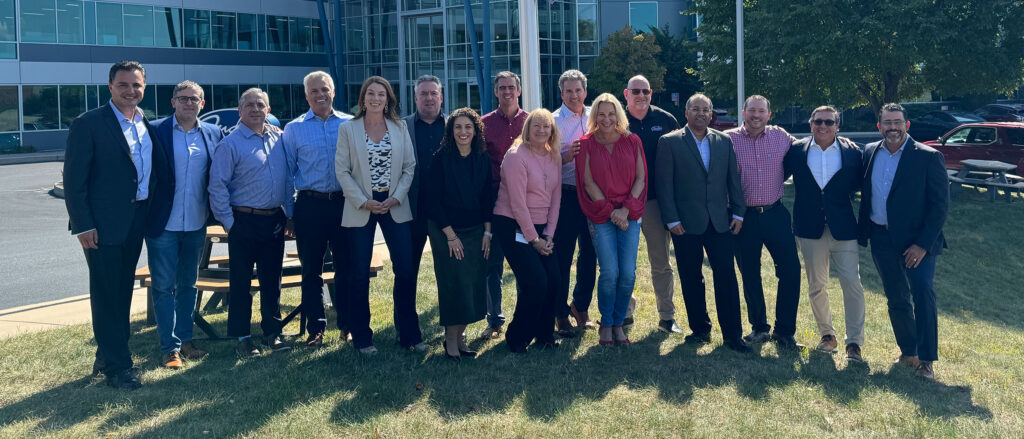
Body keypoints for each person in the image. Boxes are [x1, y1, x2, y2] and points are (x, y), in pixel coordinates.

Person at [64, 60, 170, 389]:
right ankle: (119, 368)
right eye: (123, 85)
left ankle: (108, 354)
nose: (130, 91)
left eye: (136, 85)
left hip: (135, 221)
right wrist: (83, 225)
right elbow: (74, 180)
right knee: (107, 292)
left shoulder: (144, 123)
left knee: (122, 291)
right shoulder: (89, 123)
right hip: (101, 225)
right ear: (110, 87)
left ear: (144, 88)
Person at [335, 76, 425, 355]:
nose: (376, 98)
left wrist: (396, 197)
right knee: (359, 273)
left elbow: (410, 166)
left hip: (394, 204)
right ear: (363, 98)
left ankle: (409, 334)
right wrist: (364, 201)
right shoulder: (348, 129)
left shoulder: (399, 127)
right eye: (371, 94)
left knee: (406, 270)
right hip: (361, 206)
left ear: (389, 100)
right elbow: (342, 171)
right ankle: (362, 337)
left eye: (381, 95)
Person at [858, 103, 949, 380]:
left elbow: (940, 205)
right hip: (881, 238)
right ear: (879, 126)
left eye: (898, 122)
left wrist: (922, 244)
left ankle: (927, 360)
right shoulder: (870, 152)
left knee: (922, 292)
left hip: (917, 243)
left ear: (907, 125)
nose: (893, 127)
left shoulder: (928, 157)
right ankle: (908, 350)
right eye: (887, 123)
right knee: (896, 297)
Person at [655, 93, 751, 353]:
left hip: (720, 223)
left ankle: (733, 335)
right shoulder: (669, 142)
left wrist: (739, 213)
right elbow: (664, 185)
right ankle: (700, 330)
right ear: (686, 113)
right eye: (695, 109)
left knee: (727, 278)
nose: (700, 113)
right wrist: (671, 219)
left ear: (711, 114)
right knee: (691, 278)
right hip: (684, 224)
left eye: (705, 110)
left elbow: (733, 178)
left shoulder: (723, 141)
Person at [209, 88, 295, 358]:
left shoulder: (279, 138)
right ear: (240, 111)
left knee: (273, 280)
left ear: (268, 110)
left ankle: (272, 332)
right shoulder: (230, 143)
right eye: (249, 105)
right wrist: (229, 222)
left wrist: (290, 214)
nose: (255, 109)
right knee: (241, 282)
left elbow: (289, 179)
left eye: (261, 105)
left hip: (274, 220)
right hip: (243, 221)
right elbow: (217, 186)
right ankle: (243, 338)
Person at [146, 80, 223, 368]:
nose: (189, 103)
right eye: (183, 98)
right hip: (162, 223)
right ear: (173, 102)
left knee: (188, 284)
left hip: (196, 223)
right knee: (164, 287)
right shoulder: (155, 131)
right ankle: (169, 348)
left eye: (195, 99)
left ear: (202, 104)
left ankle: (186, 340)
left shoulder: (213, 133)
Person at [784, 105, 866, 362]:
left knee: (851, 283)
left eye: (829, 122)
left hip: (843, 229)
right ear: (810, 124)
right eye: (818, 121)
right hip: (810, 228)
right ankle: (827, 336)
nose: (823, 126)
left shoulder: (852, 153)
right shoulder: (796, 151)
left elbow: (861, 186)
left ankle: (854, 342)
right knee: (817, 285)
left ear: (837, 126)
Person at [724, 95, 803, 349]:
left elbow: (807, 148)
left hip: (775, 213)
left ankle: (784, 331)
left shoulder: (781, 136)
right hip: (742, 217)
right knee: (749, 273)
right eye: (752, 111)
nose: (756, 116)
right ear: (743, 112)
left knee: (791, 270)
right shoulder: (729, 140)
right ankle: (759, 327)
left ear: (769, 114)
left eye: (761, 111)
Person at [282, 71, 354, 348]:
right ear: (306, 95)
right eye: (314, 91)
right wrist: (289, 213)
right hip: (309, 205)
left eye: (325, 89)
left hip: (343, 203)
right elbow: (287, 174)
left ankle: (347, 325)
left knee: (346, 267)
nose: (320, 95)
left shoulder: (350, 123)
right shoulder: (294, 129)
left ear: (333, 92)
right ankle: (316, 328)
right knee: (311, 270)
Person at [575, 93, 647, 346]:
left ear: (618, 114)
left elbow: (640, 178)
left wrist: (625, 210)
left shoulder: (632, 140)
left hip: (629, 214)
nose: (606, 119)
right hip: (601, 215)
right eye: (601, 114)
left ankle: (618, 323)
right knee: (610, 272)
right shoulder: (585, 143)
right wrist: (610, 212)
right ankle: (606, 322)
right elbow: (587, 182)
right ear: (594, 116)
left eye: (611, 113)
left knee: (627, 274)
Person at [424, 108, 495, 360]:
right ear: (450, 131)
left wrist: (487, 232)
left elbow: (488, 198)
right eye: (458, 127)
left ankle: (460, 336)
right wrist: (451, 236)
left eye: (468, 127)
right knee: (454, 284)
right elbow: (432, 201)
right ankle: (450, 340)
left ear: (476, 131)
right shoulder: (441, 158)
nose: (463, 132)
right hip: (446, 231)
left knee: (473, 284)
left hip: (476, 231)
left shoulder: (482, 158)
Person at [492, 108, 562, 353]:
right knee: (536, 282)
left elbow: (556, 197)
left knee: (553, 280)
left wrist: (549, 236)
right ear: (527, 129)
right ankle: (518, 337)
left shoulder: (554, 156)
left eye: (547, 126)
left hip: (543, 228)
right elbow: (517, 204)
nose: (542, 131)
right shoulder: (515, 156)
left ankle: (545, 335)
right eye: (537, 126)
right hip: (512, 224)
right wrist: (534, 240)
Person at [624, 75, 682, 334]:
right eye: (635, 91)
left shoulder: (666, 120)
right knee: (625, 262)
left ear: (651, 93)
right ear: (626, 94)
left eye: (645, 91)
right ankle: (624, 312)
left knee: (660, 261)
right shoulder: (616, 120)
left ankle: (667, 316)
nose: (641, 95)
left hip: (657, 202)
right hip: (623, 203)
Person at [480, 71, 529, 339]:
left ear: (518, 90)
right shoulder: (483, 124)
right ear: (496, 92)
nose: (507, 91)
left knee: (523, 261)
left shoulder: (531, 122)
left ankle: (524, 315)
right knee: (493, 263)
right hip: (494, 201)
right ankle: (494, 319)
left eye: (511, 87)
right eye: (502, 88)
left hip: (525, 202)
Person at [551, 69, 597, 336]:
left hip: (594, 196)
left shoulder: (596, 116)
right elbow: (542, 160)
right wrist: (563, 156)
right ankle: (559, 314)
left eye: (578, 90)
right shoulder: (553, 121)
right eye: (568, 90)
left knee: (590, 254)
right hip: (566, 194)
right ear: (561, 93)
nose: (574, 95)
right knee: (563, 256)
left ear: (585, 92)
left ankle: (580, 306)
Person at [406, 75, 447, 285]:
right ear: (415, 98)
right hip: (412, 210)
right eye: (423, 93)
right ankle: (405, 319)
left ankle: (453, 318)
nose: (429, 98)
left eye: (433, 93)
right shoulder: (400, 127)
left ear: (441, 98)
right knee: (406, 270)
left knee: (450, 269)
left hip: (446, 210)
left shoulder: (455, 126)